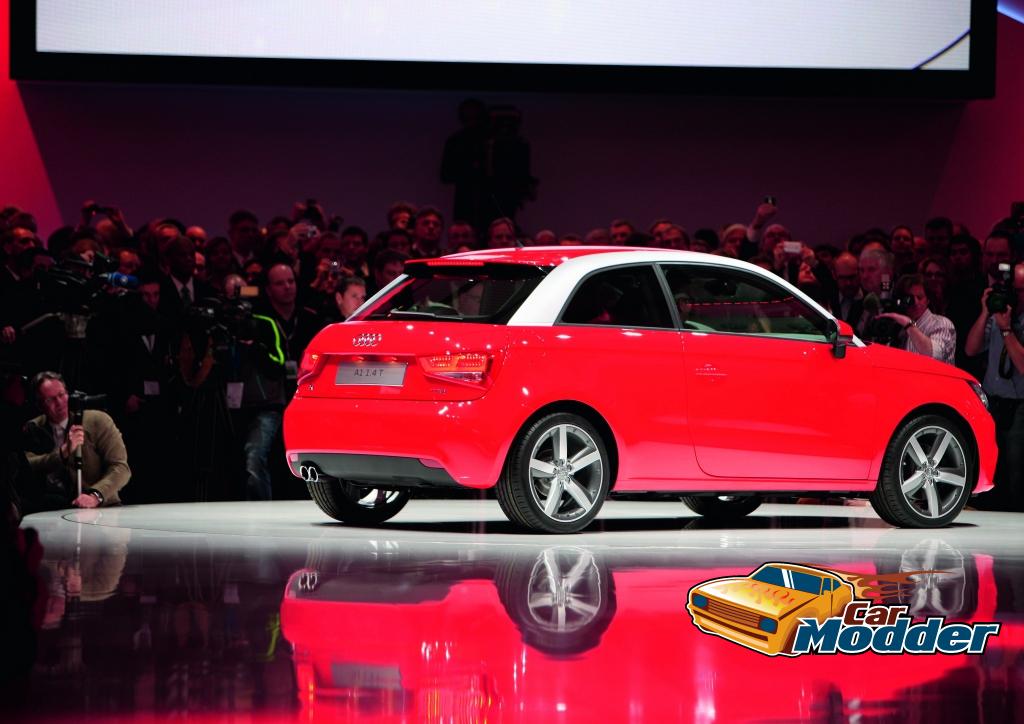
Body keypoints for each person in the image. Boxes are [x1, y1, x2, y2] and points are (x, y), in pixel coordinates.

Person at [21, 371, 130, 513]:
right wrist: (62, 453)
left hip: (101, 509)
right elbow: (26, 466)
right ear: (39, 405)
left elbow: (120, 468)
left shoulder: (97, 421)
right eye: (50, 400)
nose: (59, 403)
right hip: (52, 510)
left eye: (61, 395)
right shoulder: (33, 428)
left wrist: (95, 496)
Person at [964, 263, 1024, 511]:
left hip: (1020, 406)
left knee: (1016, 469)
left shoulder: (1009, 322)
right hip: (992, 401)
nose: (1016, 296)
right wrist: (985, 312)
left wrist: (1007, 330)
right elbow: (971, 349)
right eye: (1014, 289)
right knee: (991, 465)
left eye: (1021, 290)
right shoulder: (997, 314)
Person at [876, 274, 956, 365]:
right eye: (910, 298)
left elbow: (934, 355)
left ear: (928, 300)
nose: (916, 302)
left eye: (920, 297)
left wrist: (909, 325)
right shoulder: (898, 327)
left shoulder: (942, 323)